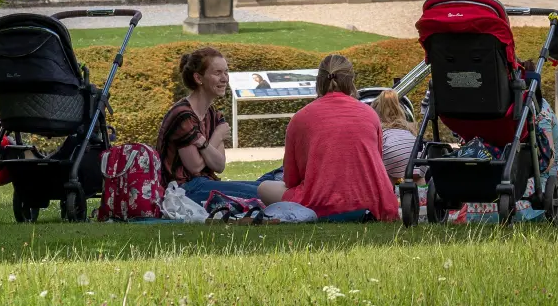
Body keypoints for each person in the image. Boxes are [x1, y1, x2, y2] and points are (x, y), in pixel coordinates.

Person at [253, 54, 399, 221]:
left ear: (319, 81)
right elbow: (376, 162)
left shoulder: (301, 117)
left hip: (319, 203)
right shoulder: (370, 114)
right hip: (370, 202)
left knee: (264, 187)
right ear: (351, 80)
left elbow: (291, 179)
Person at [157, 47, 264, 203]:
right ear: (199, 78)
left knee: (267, 186)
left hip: (207, 183)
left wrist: (202, 144)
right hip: (184, 190)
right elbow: (196, 167)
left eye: (226, 72)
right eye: (217, 73)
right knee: (262, 194)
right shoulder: (183, 115)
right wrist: (217, 136)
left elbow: (219, 165)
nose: (224, 79)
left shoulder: (214, 115)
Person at [374, 89, 420, 181]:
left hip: (393, 152)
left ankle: (389, 193)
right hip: (416, 153)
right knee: (418, 178)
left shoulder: (380, 127)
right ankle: (423, 193)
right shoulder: (407, 125)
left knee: (386, 180)